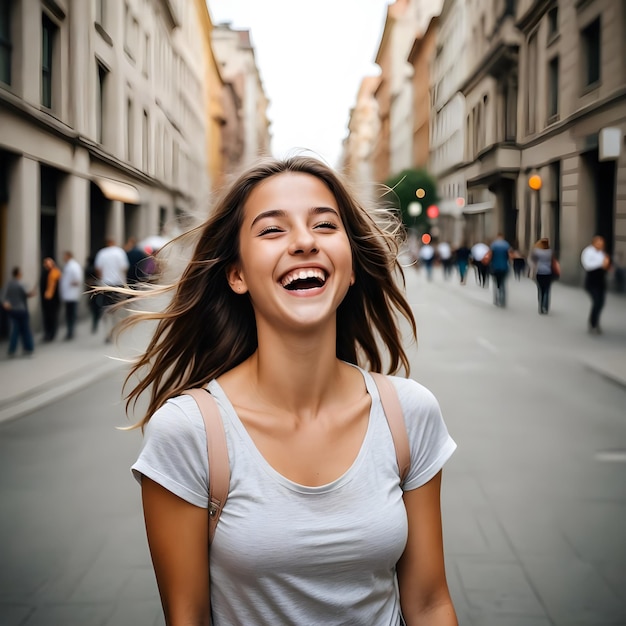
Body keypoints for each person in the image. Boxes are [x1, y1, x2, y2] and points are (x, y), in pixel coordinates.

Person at [122, 156, 458, 625]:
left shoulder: (410, 412)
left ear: (352, 264)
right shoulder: (188, 432)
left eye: (324, 225)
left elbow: (429, 604)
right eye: (272, 230)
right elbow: (188, 618)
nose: (304, 242)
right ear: (236, 274)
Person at [94, 238, 129, 343]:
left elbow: (98, 269)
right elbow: (124, 267)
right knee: (116, 308)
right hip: (117, 283)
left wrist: (101, 280)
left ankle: (108, 332)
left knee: (107, 309)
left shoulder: (102, 253)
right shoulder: (119, 252)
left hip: (106, 284)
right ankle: (115, 331)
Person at [1, 267, 36, 357]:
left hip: (12, 310)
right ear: (18, 274)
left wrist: (5, 303)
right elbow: (28, 294)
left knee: (14, 331)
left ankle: (12, 350)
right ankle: (28, 348)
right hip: (21, 310)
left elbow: (3, 296)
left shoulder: (9, 284)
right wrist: (33, 293)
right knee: (25, 330)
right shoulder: (20, 284)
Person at [581, 235, 611, 334]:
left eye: (602, 243)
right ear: (594, 243)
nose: (601, 245)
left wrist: (607, 266)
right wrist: (601, 264)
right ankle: (593, 323)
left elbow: (605, 266)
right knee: (597, 302)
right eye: (598, 243)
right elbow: (587, 265)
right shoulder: (588, 252)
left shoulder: (602, 253)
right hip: (591, 281)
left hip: (601, 281)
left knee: (601, 303)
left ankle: (595, 321)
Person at [59, 250, 84, 339]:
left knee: (71, 314)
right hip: (68, 294)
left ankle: (71, 331)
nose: (63, 258)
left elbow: (77, 280)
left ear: (68, 256)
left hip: (72, 294)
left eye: (64, 256)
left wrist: (70, 283)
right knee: (69, 314)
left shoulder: (74, 266)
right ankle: (70, 331)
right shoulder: (68, 266)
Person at [484, 233, 511, 307]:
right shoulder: (506, 245)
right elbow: (509, 256)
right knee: (503, 284)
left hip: (495, 267)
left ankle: (496, 299)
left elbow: (490, 255)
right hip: (504, 267)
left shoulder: (494, 245)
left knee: (496, 284)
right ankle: (503, 301)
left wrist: (488, 262)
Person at [530, 238, 556, 314]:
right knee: (547, 290)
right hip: (548, 272)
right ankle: (546, 307)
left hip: (539, 272)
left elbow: (532, 259)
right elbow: (553, 261)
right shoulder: (550, 252)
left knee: (540, 290)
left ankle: (540, 306)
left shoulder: (537, 252)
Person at [39, 257, 61, 341]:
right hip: (45, 300)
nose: (46, 265)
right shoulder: (44, 273)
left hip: (54, 300)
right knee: (46, 317)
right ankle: (47, 333)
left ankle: (52, 334)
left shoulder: (55, 273)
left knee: (53, 317)